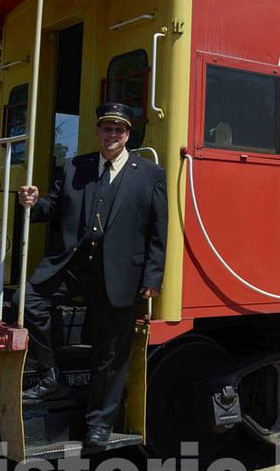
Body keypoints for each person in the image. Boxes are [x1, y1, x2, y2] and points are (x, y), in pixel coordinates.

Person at [17, 102, 167, 452]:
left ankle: (99, 425)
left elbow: (159, 232)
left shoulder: (148, 174)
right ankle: (50, 373)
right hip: (73, 267)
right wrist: (32, 202)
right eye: (106, 128)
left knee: (109, 354)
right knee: (27, 301)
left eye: (119, 129)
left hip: (119, 274)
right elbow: (51, 208)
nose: (112, 134)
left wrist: (152, 277)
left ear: (128, 134)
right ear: (97, 132)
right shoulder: (75, 166)